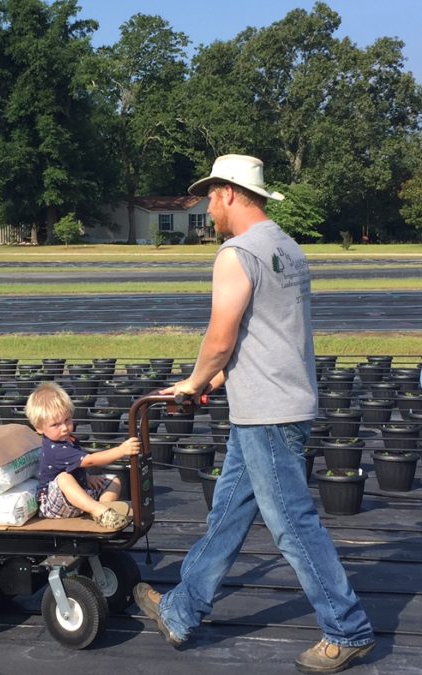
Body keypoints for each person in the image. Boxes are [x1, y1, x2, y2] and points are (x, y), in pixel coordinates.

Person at [132, 155, 375, 674]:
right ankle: (182, 609)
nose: (206, 208)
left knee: (291, 524)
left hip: (266, 412)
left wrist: (194, 382)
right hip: (276, 402)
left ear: (229, 194)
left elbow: (221, 337)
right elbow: (269, 334)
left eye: (210, 197)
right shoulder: (287, 247)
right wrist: (218, 382)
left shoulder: (236, 252)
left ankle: (347, 628)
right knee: (228, 514)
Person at [24, 381, 140, 529]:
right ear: (39, 428)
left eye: (67, 420)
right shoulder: (55, 449)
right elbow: (89, 461)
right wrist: (120, 450)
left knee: (113, 480)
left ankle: (103, 512)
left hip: (75, 499)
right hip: (53, 505)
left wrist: (87, 478)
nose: (65, 428)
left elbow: (74, 467)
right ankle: (98, 510)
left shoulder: (69, 440)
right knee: (63, 478)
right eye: (55, 425)